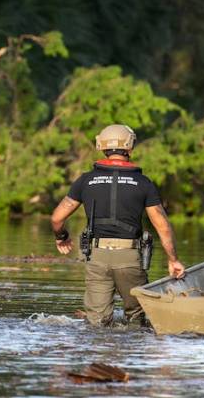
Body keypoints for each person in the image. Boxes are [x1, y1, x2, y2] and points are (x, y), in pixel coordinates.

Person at [50, 124, 185, 327]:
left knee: (97, 324)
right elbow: (163, 226)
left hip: (97, 257)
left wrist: (62, 237)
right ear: (130, 147)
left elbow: (57, 218)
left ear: (102, 147)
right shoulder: (143, 183)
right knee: (137, 320)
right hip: (129, 258)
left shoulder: (85, 181)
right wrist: (173, 259)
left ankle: (100, 355)